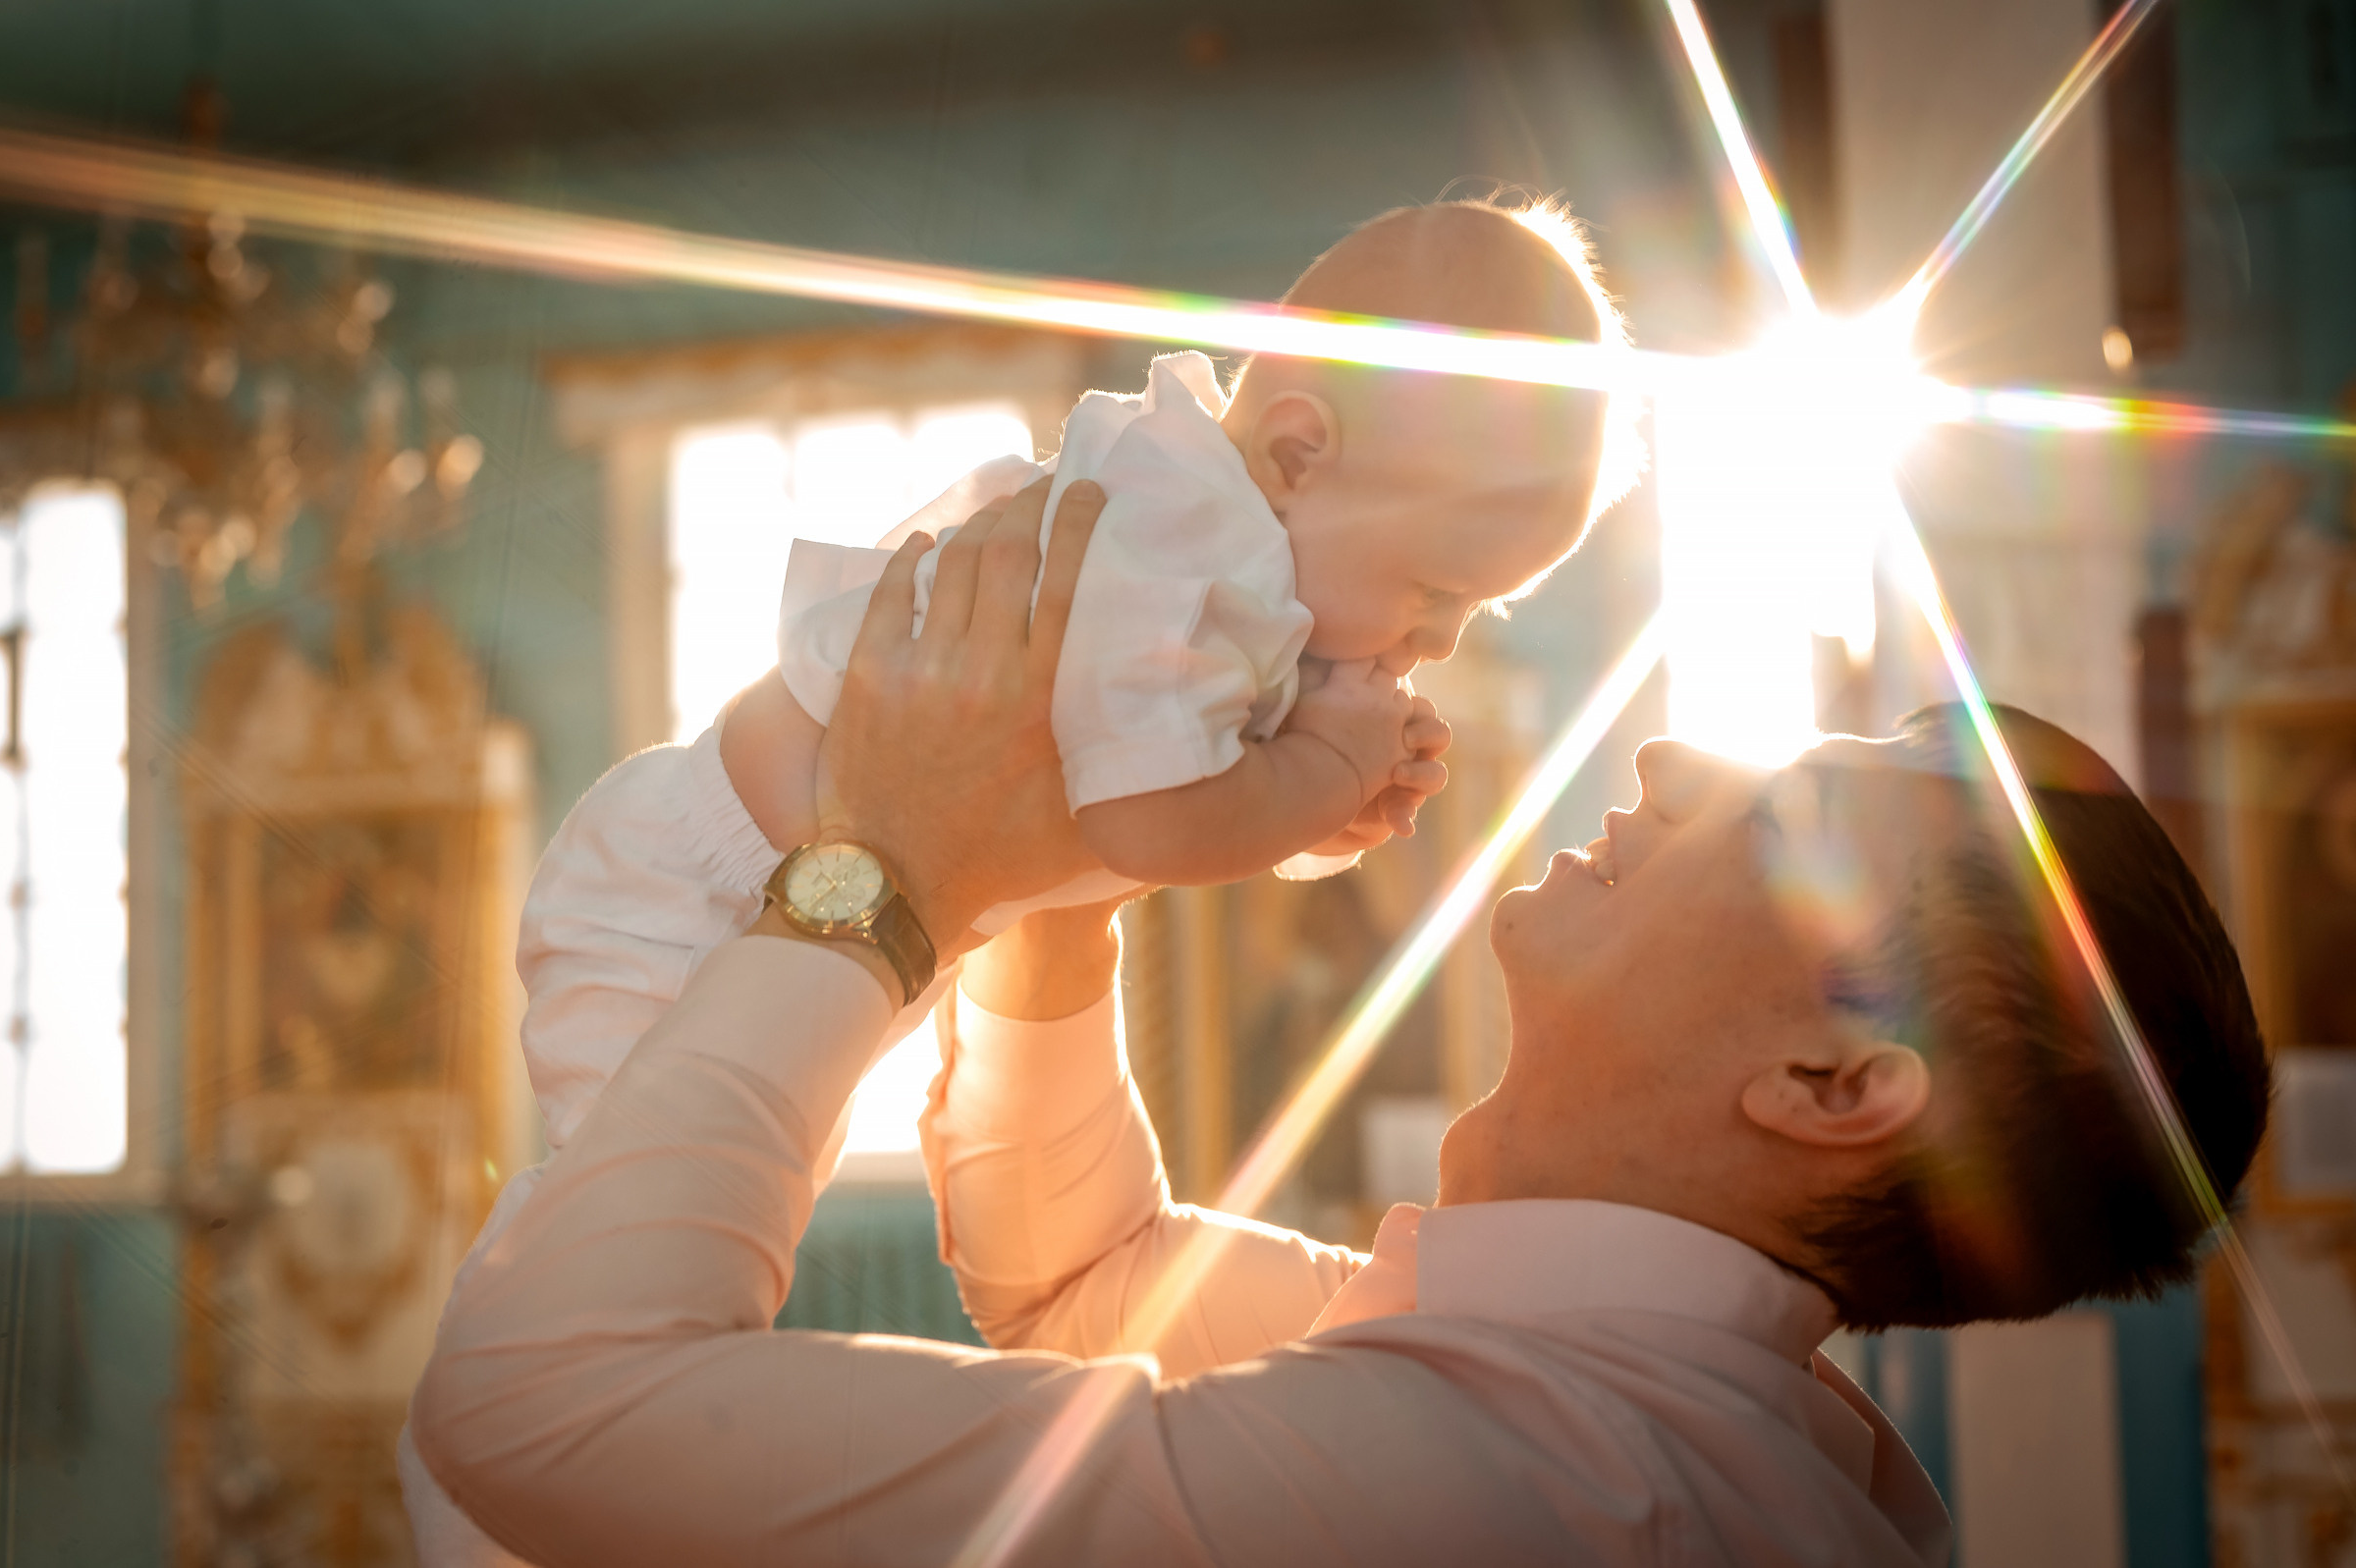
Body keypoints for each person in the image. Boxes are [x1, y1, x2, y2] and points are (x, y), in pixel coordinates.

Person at [410, 479, 2270, 1566]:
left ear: (1834, 1081)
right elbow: (1087, 1280)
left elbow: (537, 1405)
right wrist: (1069, 876)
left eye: (1792, 815)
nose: (1681, 751)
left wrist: (879, 876)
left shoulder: (1513, 1489)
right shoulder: (1638, 1395)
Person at [732, 197, 1642, 935]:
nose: (1442, 640)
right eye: (1439, 591)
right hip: (703, 882)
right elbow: (1151, 821)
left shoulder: (1252, 556)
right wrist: (1326, 763)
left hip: (811, 901)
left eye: (1480, 608)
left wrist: (1323, 808)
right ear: (1295, 457)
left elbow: (1200, 773)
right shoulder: (1184, 539)